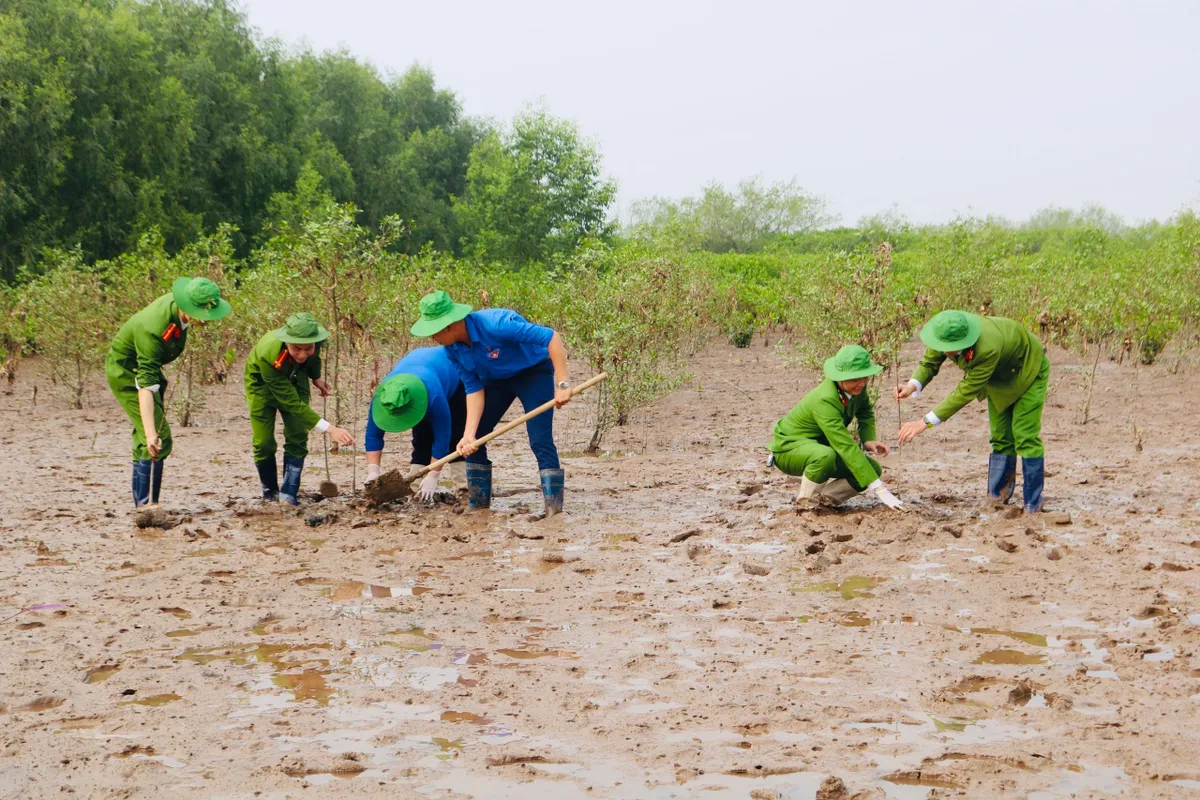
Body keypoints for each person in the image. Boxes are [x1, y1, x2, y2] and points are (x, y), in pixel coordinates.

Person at [410, 291, 571, 516]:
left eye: (434, 330)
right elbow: (473, 388)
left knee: (539, 439)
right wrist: (468, 434)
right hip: (496, 379)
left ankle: (554, 508)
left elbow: (551, 337)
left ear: (451, 325)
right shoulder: (452, 350)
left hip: (533, 372)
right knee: (474, 439)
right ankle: (479, 505)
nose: (432, 337)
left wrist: (562, 384)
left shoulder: (497, 325)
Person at [895, 310, 1050, 514]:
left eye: (949, 349)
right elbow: (930, 362)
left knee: (1024, 434)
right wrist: (911, 386)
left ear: (964, 342)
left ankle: (1032, 502)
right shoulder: (945, 332)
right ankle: (997, 497)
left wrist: (924, 422)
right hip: (997, 377)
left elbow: (965, 392)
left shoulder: (987, 348)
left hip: (1028, 370)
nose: (944, 351)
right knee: (1000, 435)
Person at [106, 276, 231, 507]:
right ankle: (147, 508)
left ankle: (143, 506)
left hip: (145, 370)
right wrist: (152, 433)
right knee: (157, 438)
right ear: (188, 307)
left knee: (145, 437)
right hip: (125, 372)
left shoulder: (179, 311)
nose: (207, 321)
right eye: (203, 315)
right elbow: (144, 384)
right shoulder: (154, 328)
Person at [767, 345, 904, 510]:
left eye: (865, 377)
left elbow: (865, 411)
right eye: (855, 378)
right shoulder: (825, 399)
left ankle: (825, 500)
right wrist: (880, 489)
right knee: (826, 456)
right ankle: (806, 504)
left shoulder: (857, 387)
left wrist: (868, 439)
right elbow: (844, 445)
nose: (861, 383)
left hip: (819, 446)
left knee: (872, 469)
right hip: (789, 449)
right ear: (840, 377)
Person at [244, 313, 354, 505]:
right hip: (262, 386)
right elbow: (292, 404)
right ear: (287, 342)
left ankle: (289, 494)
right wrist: (330, 429)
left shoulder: (313, 343)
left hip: (296, 377)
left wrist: (315, 377)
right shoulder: (268, 354)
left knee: (297, 435)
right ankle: (270, 494)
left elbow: (313, 358)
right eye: (296, 348)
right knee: (264, 442)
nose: (302, 354)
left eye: (308, 348)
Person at [364, 346, 467, 502]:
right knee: (421, 437)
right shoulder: (383, 397)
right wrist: (373, 470)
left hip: (453, 372)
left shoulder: (434, 396)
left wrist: (434, 475)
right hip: (419, 369)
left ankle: (463, 488)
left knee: (456, 436)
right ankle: (415, 488)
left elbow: (443, 436)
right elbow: (373, 435)